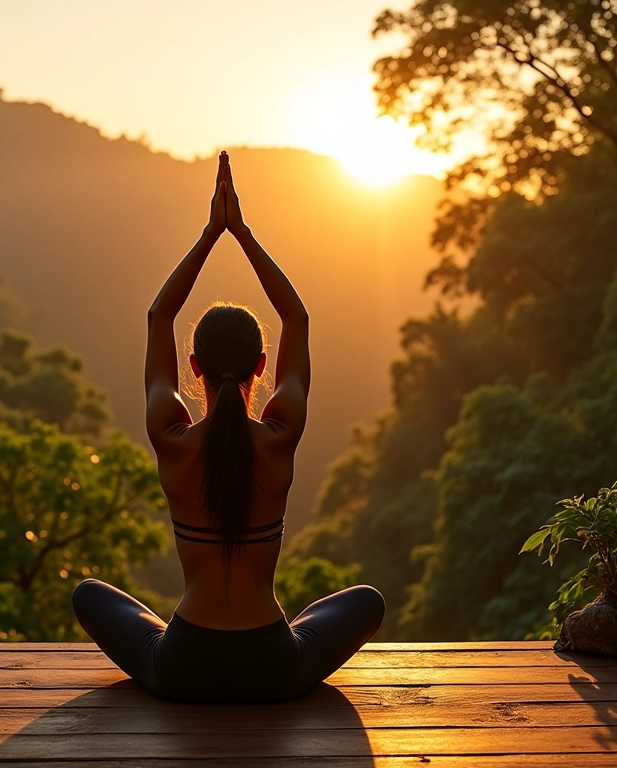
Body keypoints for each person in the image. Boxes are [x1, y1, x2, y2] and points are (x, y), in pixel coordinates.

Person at [72, 151, 384, 703]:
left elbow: (158, 317)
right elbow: (297, 318)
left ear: (192, 366)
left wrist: (211, 232)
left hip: (182, 666)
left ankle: (169, 638)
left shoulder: (171, 436)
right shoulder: (280, 433)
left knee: (89, 594)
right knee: (366, 601)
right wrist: (241, 231)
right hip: (274, 666)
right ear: (262, 367)